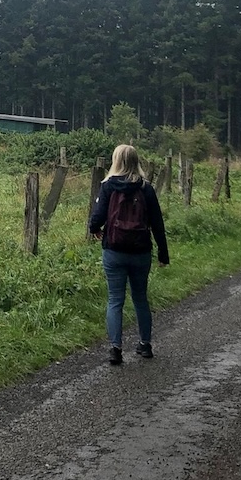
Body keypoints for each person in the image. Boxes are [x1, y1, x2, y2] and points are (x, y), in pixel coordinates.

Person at [88, 144, 169, 365]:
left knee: (115, 299)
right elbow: (157, 224)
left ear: (116, 161)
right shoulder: (146, 188)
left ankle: (116, 348)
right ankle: (145, 344)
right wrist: (163, 253)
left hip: (114, 250)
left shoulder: (107, 187)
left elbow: (96, 219)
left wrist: (96, 231)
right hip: (141, 250)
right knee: (140, 298)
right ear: (136, 161)